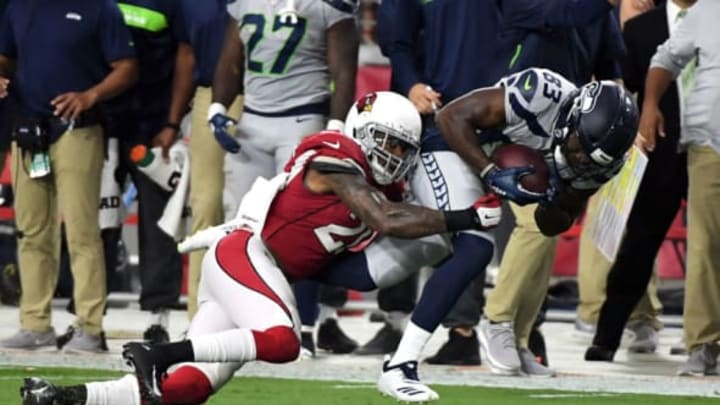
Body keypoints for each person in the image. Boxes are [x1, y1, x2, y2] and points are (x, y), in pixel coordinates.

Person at [19, 91, 502, 405]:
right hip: (246, 255)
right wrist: (465, 218)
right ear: (360, 131)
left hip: (259, 274)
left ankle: (62, 397)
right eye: (386, 143)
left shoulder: (386, 188)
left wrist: (445, 237)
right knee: (283, 340)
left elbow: (360, 262)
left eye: (401, 150)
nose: (392, 157)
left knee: (186, 390)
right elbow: (386, 220)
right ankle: (157, 353)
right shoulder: (336, 153)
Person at [436, 68, 638, 378]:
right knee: (436, 245)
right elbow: (449, 117)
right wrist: (489, 171)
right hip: (468, 150)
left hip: (525, 167)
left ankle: (518, 339)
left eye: (590, 159)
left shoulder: (606, 163)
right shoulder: (542, 94)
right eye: (578, 147)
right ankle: (497, 320)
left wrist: (552, 199)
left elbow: (558, 221)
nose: (580, 160)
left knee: (542, 234)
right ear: (572, 118)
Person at [207, 0, 361, 355]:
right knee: (240, 228)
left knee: (300, 230)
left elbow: (344, 70)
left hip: (303, 121)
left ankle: (303, 325)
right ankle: (238, 319)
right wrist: (218, 106)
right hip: (252, 120)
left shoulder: (327, 5)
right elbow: (232, 59)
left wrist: (335, 126)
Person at [0, 0, 138, 352]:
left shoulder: (99, 8)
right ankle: (35, 324)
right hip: (29, 131)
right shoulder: (18, 7)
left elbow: (126, 67)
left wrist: (91, 95)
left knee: (82, 231)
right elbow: (7, 56)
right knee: (31, 231)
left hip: (77, 129)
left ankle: (90, 327)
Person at [583, 0, 692, 362]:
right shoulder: (641, 29)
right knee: (639, 245)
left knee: (712, 249)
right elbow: (618, 87)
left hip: (711, 149)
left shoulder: (715, 20)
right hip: (658, 151)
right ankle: (607, 336)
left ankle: (705, 339)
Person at [629, 0, 720, 376]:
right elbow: (664, 59)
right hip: (710, 145)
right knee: (705, 245)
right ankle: (703, 342)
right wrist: (650, 105)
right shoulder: (708, 11)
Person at [98, 0, 190, 345]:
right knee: (96, 223)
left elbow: (185, 56)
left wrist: (171, 121)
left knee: (158, 224)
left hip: (152, 128)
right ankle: (89, 318)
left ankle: (159, 317)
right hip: (102, 124)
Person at [181, 0, 244, 320]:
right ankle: (199, 316)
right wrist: (171, 118)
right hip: (209, 95)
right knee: (205, 206)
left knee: (256, 213)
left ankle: (255, 318)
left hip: (265, 93)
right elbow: (186, 52)